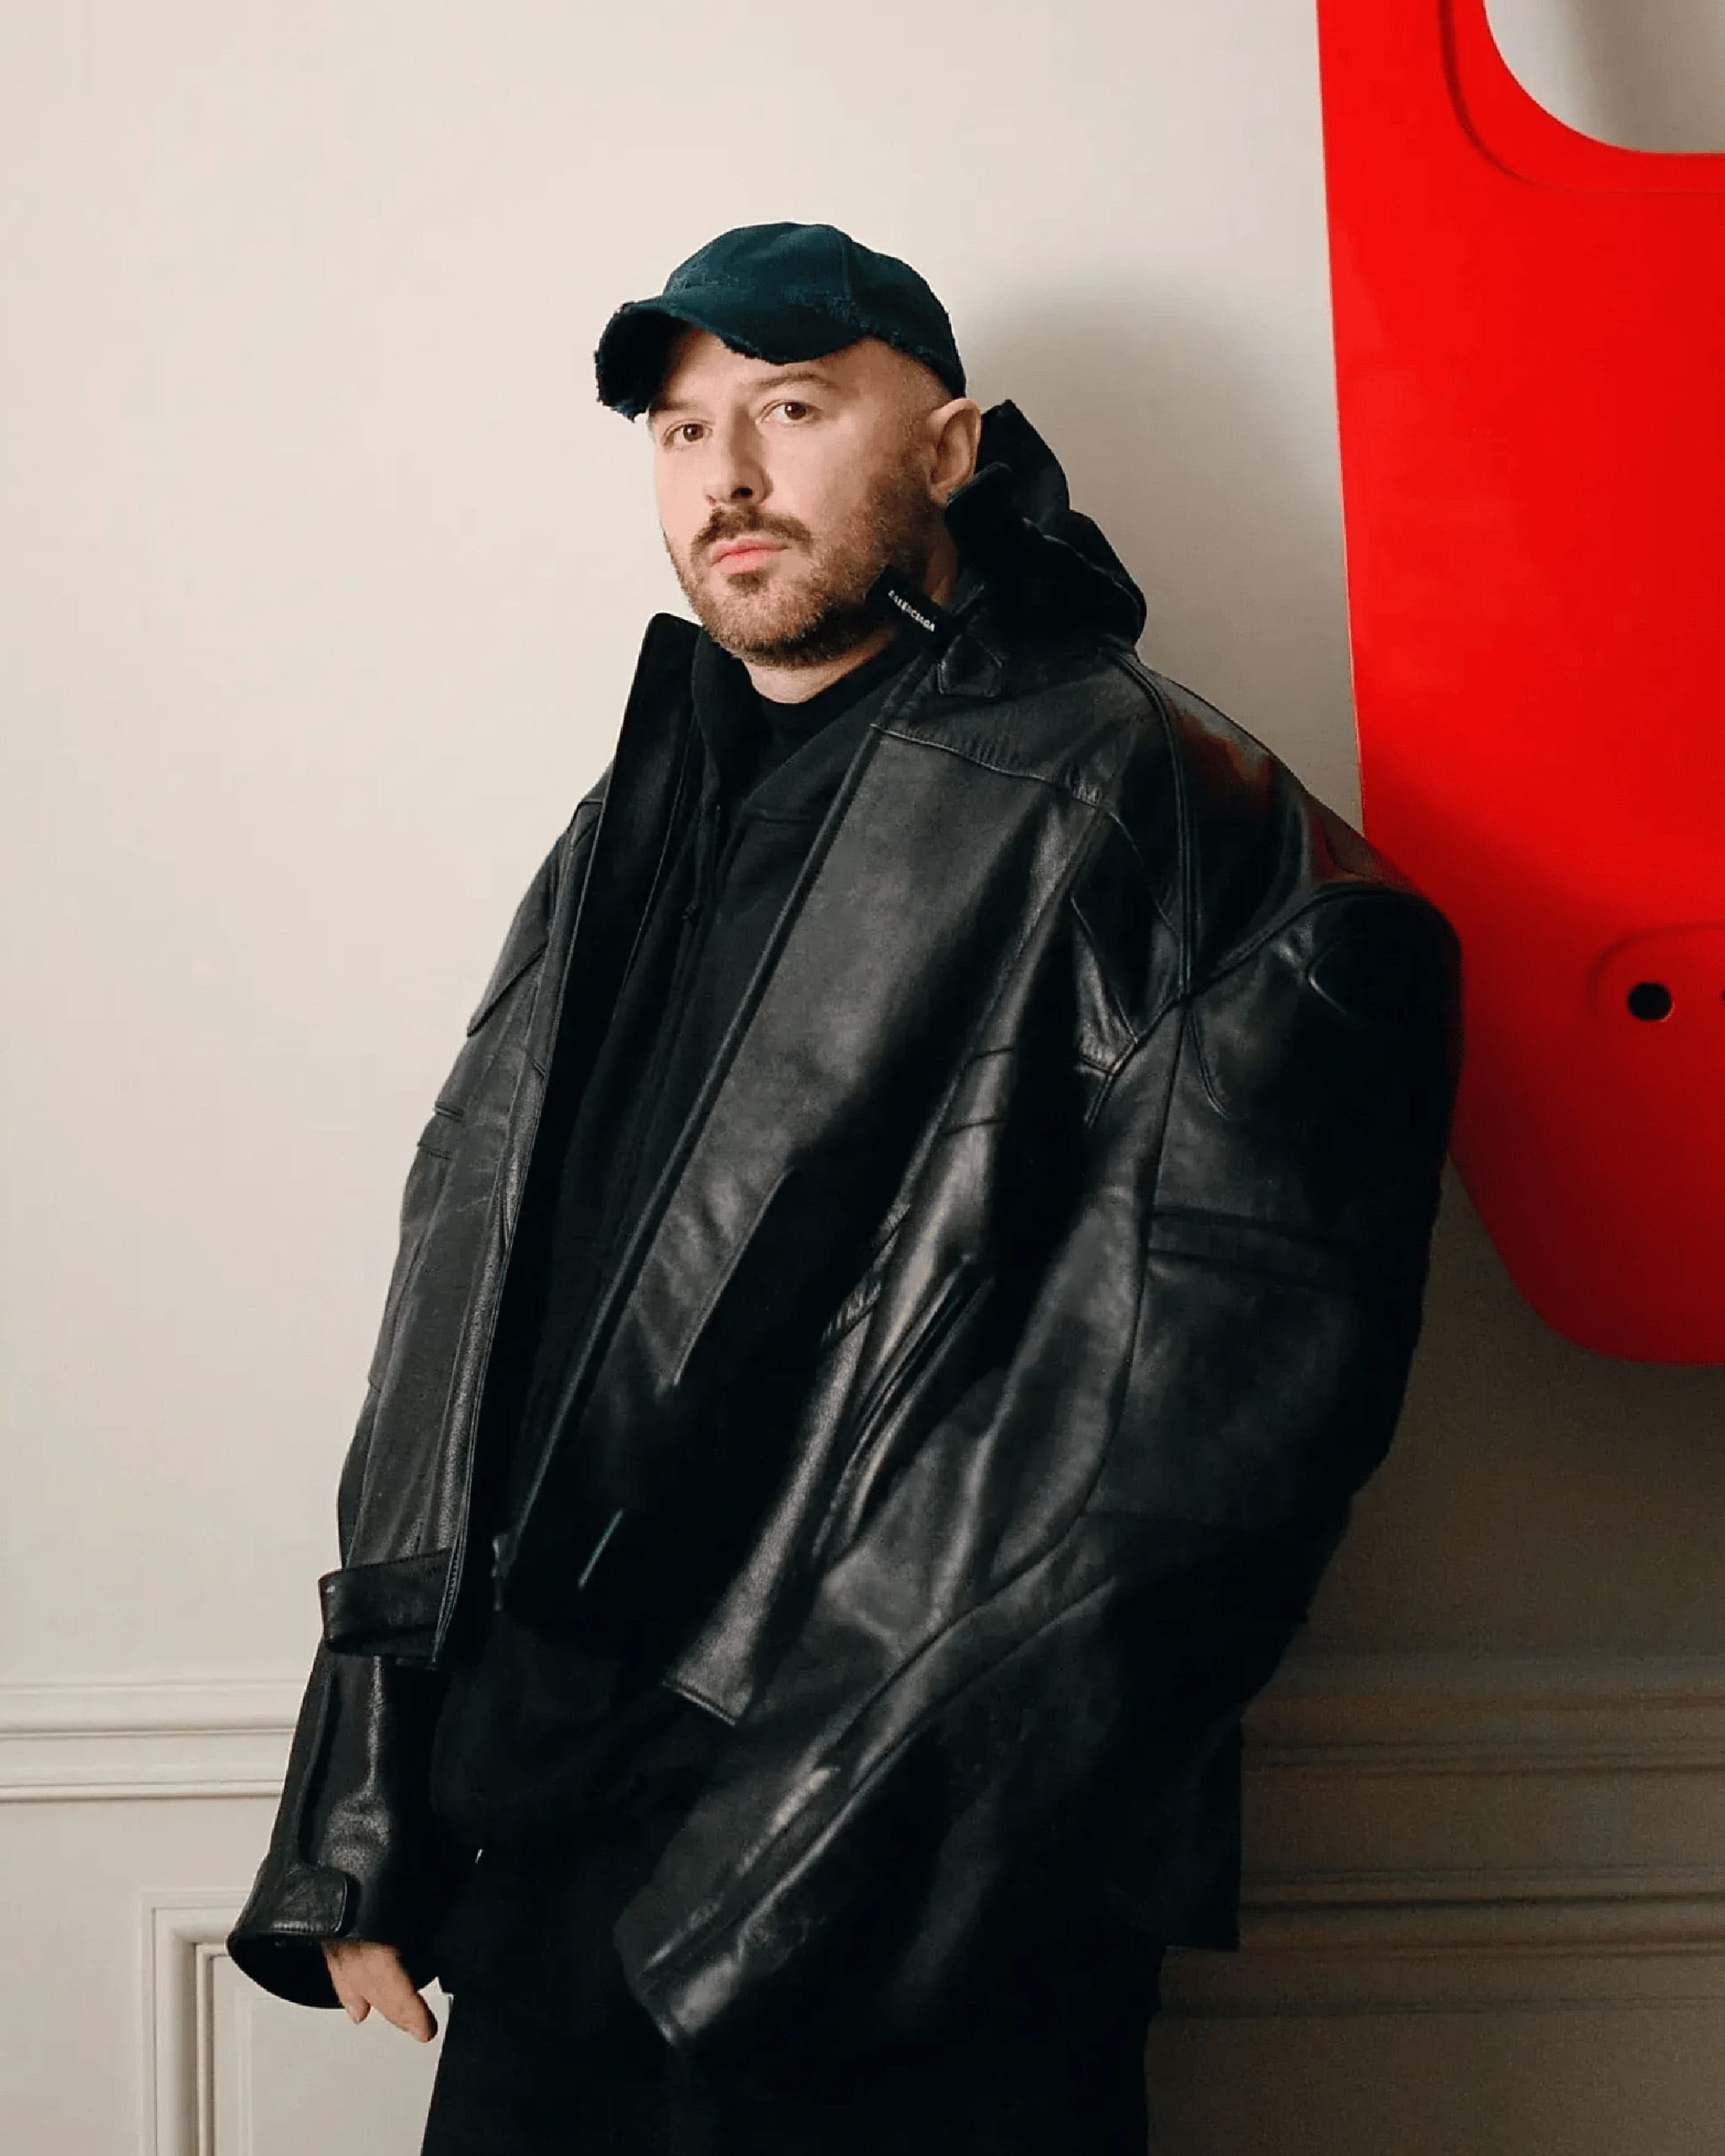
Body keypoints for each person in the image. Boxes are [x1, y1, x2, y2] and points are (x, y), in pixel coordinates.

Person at [227, 221, 1464, 2153]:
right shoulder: (635, 815)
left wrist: (765, 1892)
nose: (724, 473)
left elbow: (1155, 1476)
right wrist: (358, 1802)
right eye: (679, 427)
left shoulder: (1186, 829)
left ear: (952, 445)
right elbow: (465, 1310)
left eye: (792, 408)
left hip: (896, 1938)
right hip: (537, 1879)